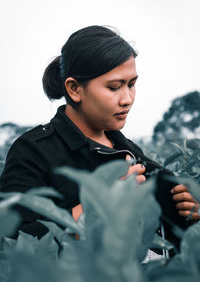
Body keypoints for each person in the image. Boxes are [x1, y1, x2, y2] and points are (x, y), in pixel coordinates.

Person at [0, 25, 199, 249]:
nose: (127, 99)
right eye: (114, 87)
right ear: (74, 89)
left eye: (132, 84)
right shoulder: (33, 150)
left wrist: (188, 213)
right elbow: (14, 242)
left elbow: (163, 239)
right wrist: (99, 206)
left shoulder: (129, 150)